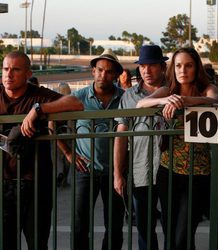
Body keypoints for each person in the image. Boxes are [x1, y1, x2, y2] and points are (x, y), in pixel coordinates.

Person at [136, 47, 218, 250]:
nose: (183, 70)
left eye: (189, 65)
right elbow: (141, 104)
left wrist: (185, 101)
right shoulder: (168, 90)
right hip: (168, 172)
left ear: (196, 68)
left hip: (197, 174)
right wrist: (165, 100)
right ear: (173, 69)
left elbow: (214, 101)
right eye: (179, 66)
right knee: (171, 233)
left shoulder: (207, 87)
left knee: (182, 234)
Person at [0, 51, 83, 250]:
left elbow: (76, 103)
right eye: (5, 69)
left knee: (37, 243)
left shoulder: (37, 95)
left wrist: (38, 109)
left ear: (28, 74)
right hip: (3, 183)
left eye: (16, 70)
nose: (8, 75)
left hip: (36, 184)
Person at [59, 49, 125, 250]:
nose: (103, 75)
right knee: (80, 224)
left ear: (115, 75)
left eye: (108, 71)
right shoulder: (79, 97)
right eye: (99, 70)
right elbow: (53, 123)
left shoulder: (124, 98)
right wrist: (69, 153)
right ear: (93, 71)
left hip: (116, 171)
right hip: (84, 170)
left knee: (114, 225)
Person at [114, 45, 168, 250]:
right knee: (145, 228)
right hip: (140, 171)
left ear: (162, 67)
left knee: (173, 225)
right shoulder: (129, 96)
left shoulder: (175, 88)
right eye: (143, 66)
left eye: (152, 65)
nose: (146, 70)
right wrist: (118, 174)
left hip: (171, 169)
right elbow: (121, 135)